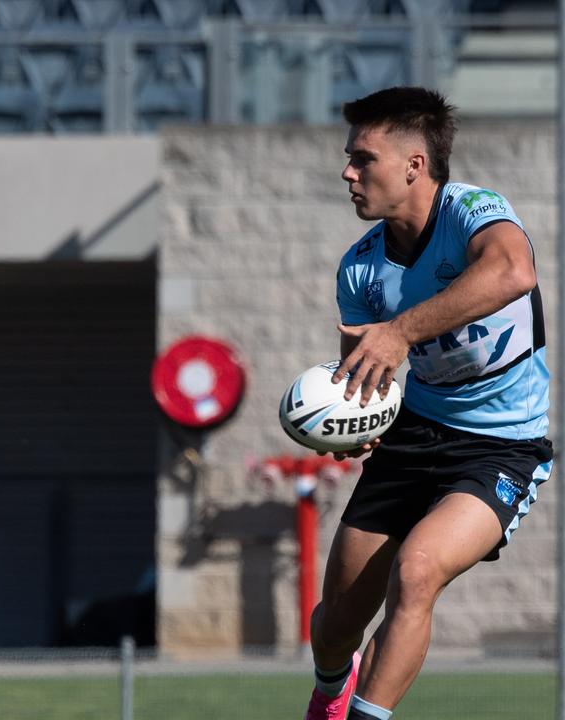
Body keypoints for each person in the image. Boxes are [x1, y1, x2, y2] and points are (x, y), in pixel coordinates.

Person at [302, 86, 552, 720]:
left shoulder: (476, 212)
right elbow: (365, 375)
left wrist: (401, 330)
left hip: (503, 447)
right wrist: (354, 421)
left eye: (364, 159)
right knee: (337, 622)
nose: (347, 172)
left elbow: (511, 273)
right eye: (349, 158)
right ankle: (330, 692)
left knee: (415, 574)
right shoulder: (359, 268)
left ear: (415, 165)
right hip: (414, 434)